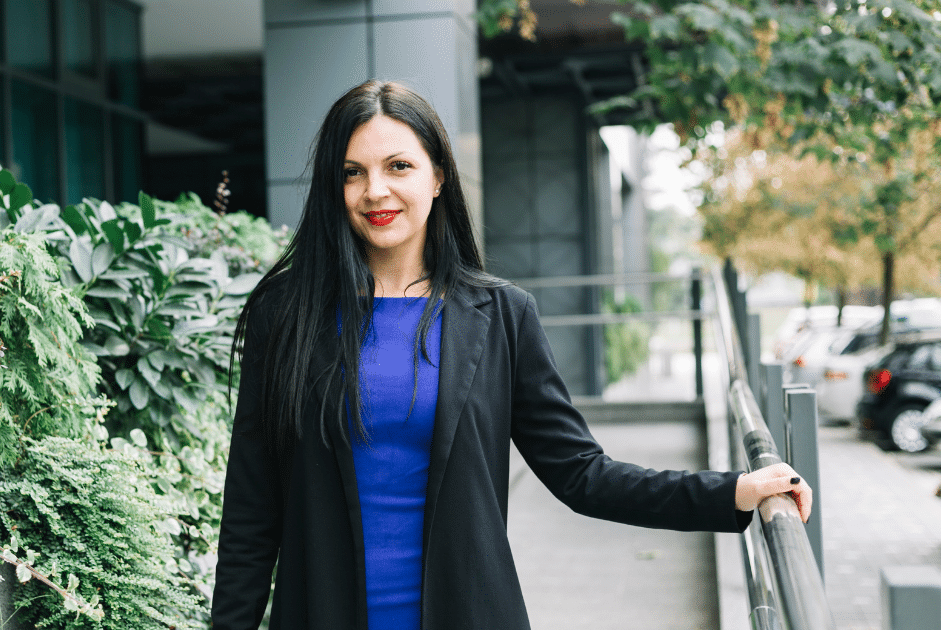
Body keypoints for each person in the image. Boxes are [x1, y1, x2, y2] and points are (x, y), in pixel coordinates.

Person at [212, 80, 812, 630]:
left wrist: (732, 491)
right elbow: (250, 514)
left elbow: (581, 473)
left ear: (439, 175)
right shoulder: (288, 316)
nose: (376, 192)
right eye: (352, 172)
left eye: (399, 166)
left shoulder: (500, 316)